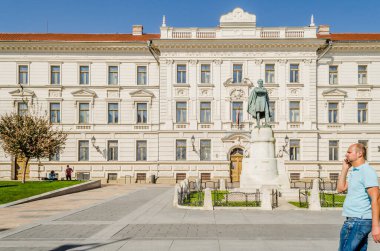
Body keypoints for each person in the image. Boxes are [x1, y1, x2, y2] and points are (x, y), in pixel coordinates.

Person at [337, 143, 380, 250]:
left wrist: (376, 227)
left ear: (360, 154)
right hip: (355, 220)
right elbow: (341, 188)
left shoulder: (367, 171)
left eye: (349, 152)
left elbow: (376, 199)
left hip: (358, 220)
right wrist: (345, 169)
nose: (346, 154)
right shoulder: (355, 171)